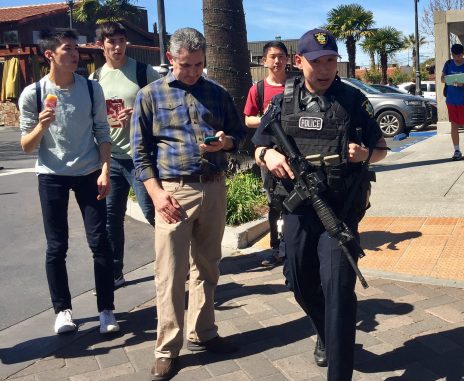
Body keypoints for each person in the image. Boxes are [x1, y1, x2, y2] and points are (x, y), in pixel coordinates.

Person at [252, 28, 387, 381]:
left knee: (339, 289)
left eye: (331, 61)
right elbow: (256, 144)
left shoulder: (353, 101)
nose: (325, 69)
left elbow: (382, 149)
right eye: (317, 62)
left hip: (339, 210)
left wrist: (365, 154)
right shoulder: (283, 102)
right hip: (297, 208)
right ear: (300, 62)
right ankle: (326, 333)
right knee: (297, 279)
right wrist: (267, 155)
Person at [131, 27, 246, 380]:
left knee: (207, 267)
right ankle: (166, 348)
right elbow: (139, 153)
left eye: (198, 64)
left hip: (213, 188)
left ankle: (203, 332)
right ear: (171, 59)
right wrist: (156, 193)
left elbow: (240, 134)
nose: (193, 71)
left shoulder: (217, 92)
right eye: (186, 65)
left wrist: (225, 142)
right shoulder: (150, 95)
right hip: (173, 193)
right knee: (170, 274)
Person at [18, 29, 119, 335]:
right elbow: (26, 145)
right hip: (51, 176)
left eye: (76, 49)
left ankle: (106, 310)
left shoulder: (91, 90)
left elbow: (103, 132)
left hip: (89, 172)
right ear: (49, 55)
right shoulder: (32, 94)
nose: (75, 54)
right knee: (56, 246)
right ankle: (63, 310)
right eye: (67, 49)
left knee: (99, 241)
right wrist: (40, 126)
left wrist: (105, 170)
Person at [91, 21, 160, 288]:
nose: (118, 46)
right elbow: (93, 119)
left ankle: (179, 260)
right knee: (111, 219)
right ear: (102, 46)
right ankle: (116, 272)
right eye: (112, 42)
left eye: (121, 40)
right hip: (111, 159)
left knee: (152, 211)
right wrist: (108, 122)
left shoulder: (144, 72)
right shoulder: (95, 79)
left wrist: (140, 113)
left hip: (141, 157)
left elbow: (165, 104)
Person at [243, 41, 289, 268]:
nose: (277, 61)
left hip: (294, 155)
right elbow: (247, 119)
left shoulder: (296, 85)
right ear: (264, 61)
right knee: (274, 204)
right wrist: (267, 120)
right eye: (272, 57)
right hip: (268, 155)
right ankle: (277, 246)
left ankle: (294, 245)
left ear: (288, 59)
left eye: (281, 56)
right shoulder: (258, 89)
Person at [441, 43, 464, 160]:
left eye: (460, 56)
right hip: (451, 100)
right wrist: (449, 79)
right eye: (455, 56)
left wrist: (463, 84)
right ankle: (456, 150)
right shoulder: (448, 64)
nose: (458, 58)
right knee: (454, 125)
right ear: (452, 55)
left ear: (463, 54)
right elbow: (442, 78)